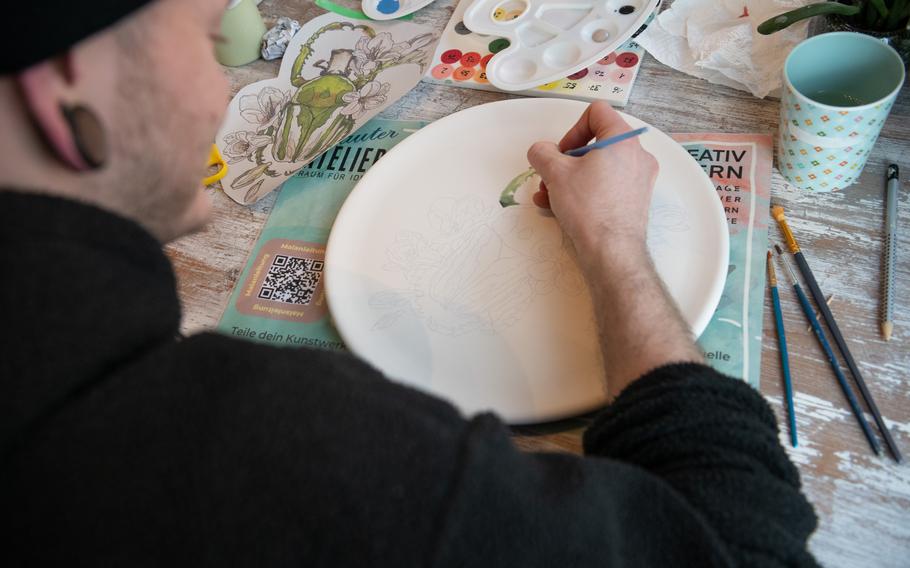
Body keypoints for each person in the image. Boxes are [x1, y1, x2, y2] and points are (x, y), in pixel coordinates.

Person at [0, 0, 818, 565]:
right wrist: (612, 241)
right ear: (65, 79)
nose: (227, 87)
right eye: (209, 34)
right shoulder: (277, 450)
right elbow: (746, 544)